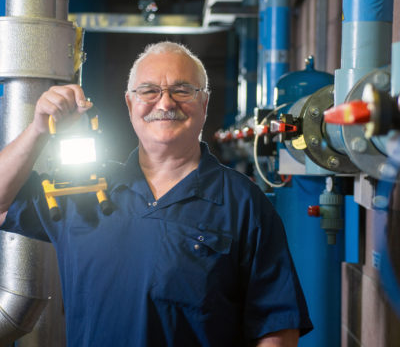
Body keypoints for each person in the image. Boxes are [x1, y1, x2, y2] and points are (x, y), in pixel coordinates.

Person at [0, 41, 312, 346]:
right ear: (129, 104)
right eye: (149, 91)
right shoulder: (82, 188)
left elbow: (277, 329)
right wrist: (38, 129)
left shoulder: (243, 203)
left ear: (204, 103)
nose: (165, 104)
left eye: (182, 90)